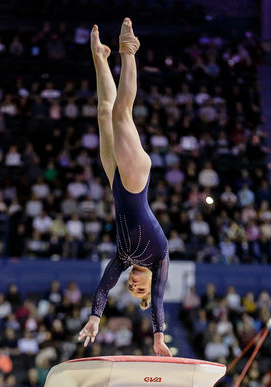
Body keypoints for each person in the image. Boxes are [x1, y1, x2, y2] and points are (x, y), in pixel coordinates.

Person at [78, 19, 171, 356]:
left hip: (116, 179)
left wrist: (94, 318)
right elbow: (159, 301)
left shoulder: (122, 258)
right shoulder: (159, 259)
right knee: (121, 115)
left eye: (130, 289)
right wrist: (158, 337)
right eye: (138, 290)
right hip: (135, 181)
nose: (133, 285)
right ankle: (128, 52)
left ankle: (101, 57)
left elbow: (105, 286)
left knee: (105, 114)